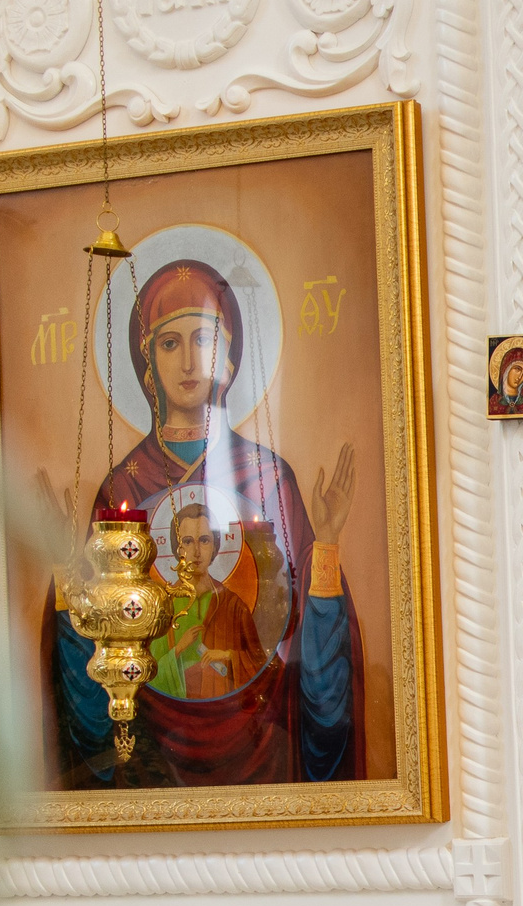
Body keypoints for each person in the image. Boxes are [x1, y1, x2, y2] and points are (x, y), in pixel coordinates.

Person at [41, 256, 364, 787]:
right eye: (170, 343)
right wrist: (65, 570)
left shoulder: (268, 478)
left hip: (261, 743)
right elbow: (96, 671)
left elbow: (312, 665)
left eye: (204, 339)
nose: (190, 360)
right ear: (148, 366)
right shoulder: (123, 490)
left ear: (230, 360)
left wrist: (323, 547)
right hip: (150, 754)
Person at [150, 502, 265, 701]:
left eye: (204, 540)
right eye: (187, 541)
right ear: (177, 549)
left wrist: (229, 656)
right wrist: (178, 649)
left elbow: (260, 664)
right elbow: (149, 672)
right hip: (178, 711)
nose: (196, 551)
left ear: (215, 546)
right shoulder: (163, 605)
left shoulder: (233, 606)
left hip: (226, 708)